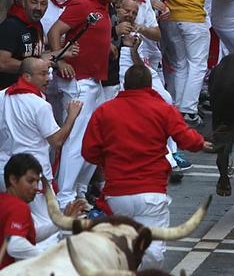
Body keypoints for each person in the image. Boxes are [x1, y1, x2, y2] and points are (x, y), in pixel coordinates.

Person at [82, 65, 208, 269]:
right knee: (152, 250)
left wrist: (107, 161)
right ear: (150, 85)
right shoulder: (162, 109)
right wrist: (202, 143)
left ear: (125, 84)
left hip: (117, 194)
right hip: (152, 192)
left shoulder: (105, 110)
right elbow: (187, 140)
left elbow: (89, 152)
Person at [47, 0, 114, 208]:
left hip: (94, 81)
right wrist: (59, 59)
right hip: (79, 83)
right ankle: (65, 197)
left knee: (92, 140)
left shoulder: (101, 4)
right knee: (76, 141)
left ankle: (78, 192)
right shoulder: (82, 3)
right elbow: (55, 32)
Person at [161, 0, 233, 124]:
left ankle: (176, 107)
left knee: (180, 64)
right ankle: (189, 110)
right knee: (198, 65)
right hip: (193, 18)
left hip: (172, 18)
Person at [0, 57, 83, 232]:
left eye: (49, 73)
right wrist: (72, 116)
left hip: (5, 172)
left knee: (12, 220)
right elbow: (57, 141)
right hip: (33, 176)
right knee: (47, 224)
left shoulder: (2, 95)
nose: (49, 78)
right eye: (43, 74)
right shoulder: (40, 105)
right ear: (27, 77)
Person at [0, 154, 83, 268]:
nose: (36, 187)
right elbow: (14, 244)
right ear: (13, 179)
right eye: (30, 181)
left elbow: (31, 233)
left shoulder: (4, 201)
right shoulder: (18, 207)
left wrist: (61, 222)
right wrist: (45, 258)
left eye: (37, 181)